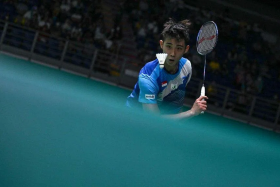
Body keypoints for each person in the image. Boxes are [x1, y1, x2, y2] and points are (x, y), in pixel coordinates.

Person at [126, 18, 208, 120]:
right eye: (169, 46)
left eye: (178, 48)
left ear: (186, 49)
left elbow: (176, 101)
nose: (173, 54)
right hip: (133, 119)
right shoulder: (148, 76)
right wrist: (191, 112)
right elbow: (153, 120)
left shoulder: (186, 67)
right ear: (161, 45)